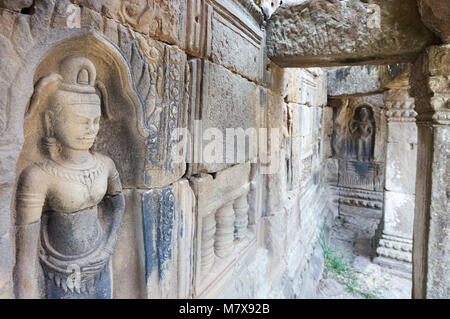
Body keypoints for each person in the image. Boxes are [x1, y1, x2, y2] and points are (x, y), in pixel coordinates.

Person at [14, 56, 125, 299]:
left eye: (95, 121)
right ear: (51, 121)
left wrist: (108, 247)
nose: (90, 129)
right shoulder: (38, 176)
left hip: (100, 265)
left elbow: (118, 204)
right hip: (59, 273)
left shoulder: (105, 165)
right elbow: (24, 260)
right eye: (80, 121)